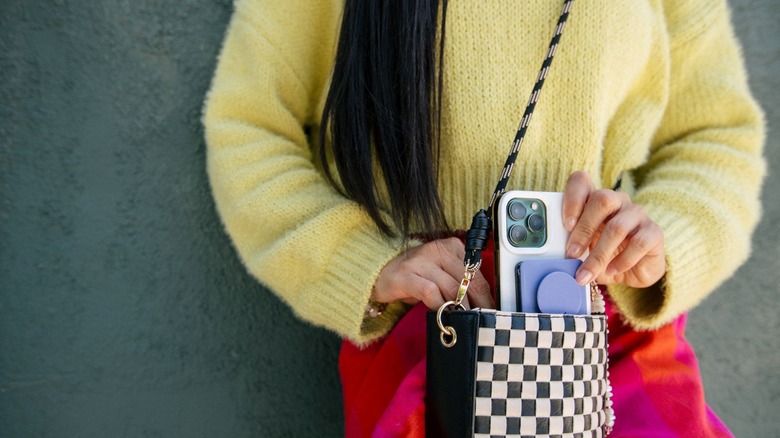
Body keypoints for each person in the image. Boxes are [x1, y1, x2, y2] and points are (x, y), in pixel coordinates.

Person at [203, 0, 765, 436]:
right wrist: (361, 265)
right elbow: (249, 126)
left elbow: (714, 137)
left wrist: (657, 241)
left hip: (603, 315)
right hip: (434, 324)